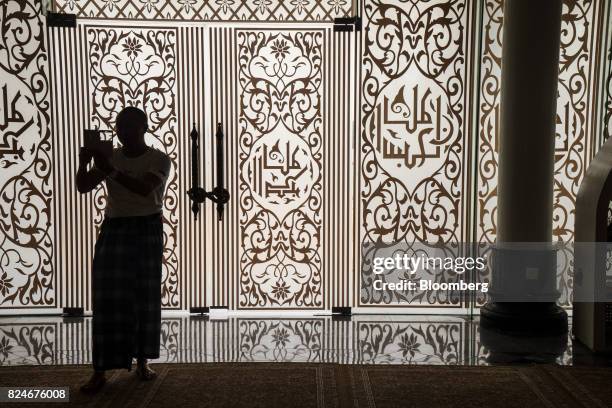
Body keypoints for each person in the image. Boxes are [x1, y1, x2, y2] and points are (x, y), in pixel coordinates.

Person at [76, 106, 171, 393]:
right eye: (120, 126)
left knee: (144, 298)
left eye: (130, 126)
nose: (124, 132)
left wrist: (111, 171)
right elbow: (83, 186)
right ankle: (100, 370)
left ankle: (142, 361)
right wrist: (84, 162)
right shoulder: (110, 158)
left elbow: (144, 189)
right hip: (115, 230)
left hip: (146, 229)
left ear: (144, 127)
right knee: (107, 301)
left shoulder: (159, 159)